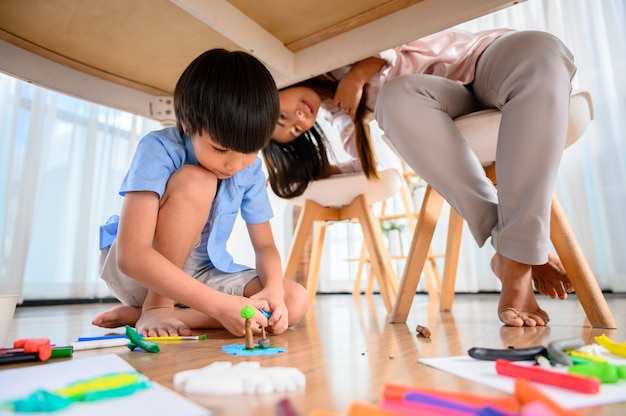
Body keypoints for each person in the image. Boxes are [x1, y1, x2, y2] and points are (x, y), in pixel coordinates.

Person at [262, 28, 577, 327]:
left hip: (479, 58)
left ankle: (512, 255)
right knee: (394, 97)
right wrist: (320, 169)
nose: (298, 119)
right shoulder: (344, 111)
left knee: (542, 49)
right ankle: (517, 257)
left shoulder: (319, 53)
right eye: (295, 130)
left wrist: (358, 74)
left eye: (282, 115)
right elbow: (365, 161)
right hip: (432, 100)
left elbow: (392, 30)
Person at [92, 48, 309, 338]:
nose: (235, 164)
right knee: (198, 180)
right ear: (187, 125)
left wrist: (272, 289)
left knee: (294, 299)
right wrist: (220, 305)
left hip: (201, 275)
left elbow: (265, 247)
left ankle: (159, 315)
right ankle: (156, 307)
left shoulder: (249, 169)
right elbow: (131, 255)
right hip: (142, 273)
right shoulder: (159, 148)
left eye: (250, 151)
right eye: (221, 149)